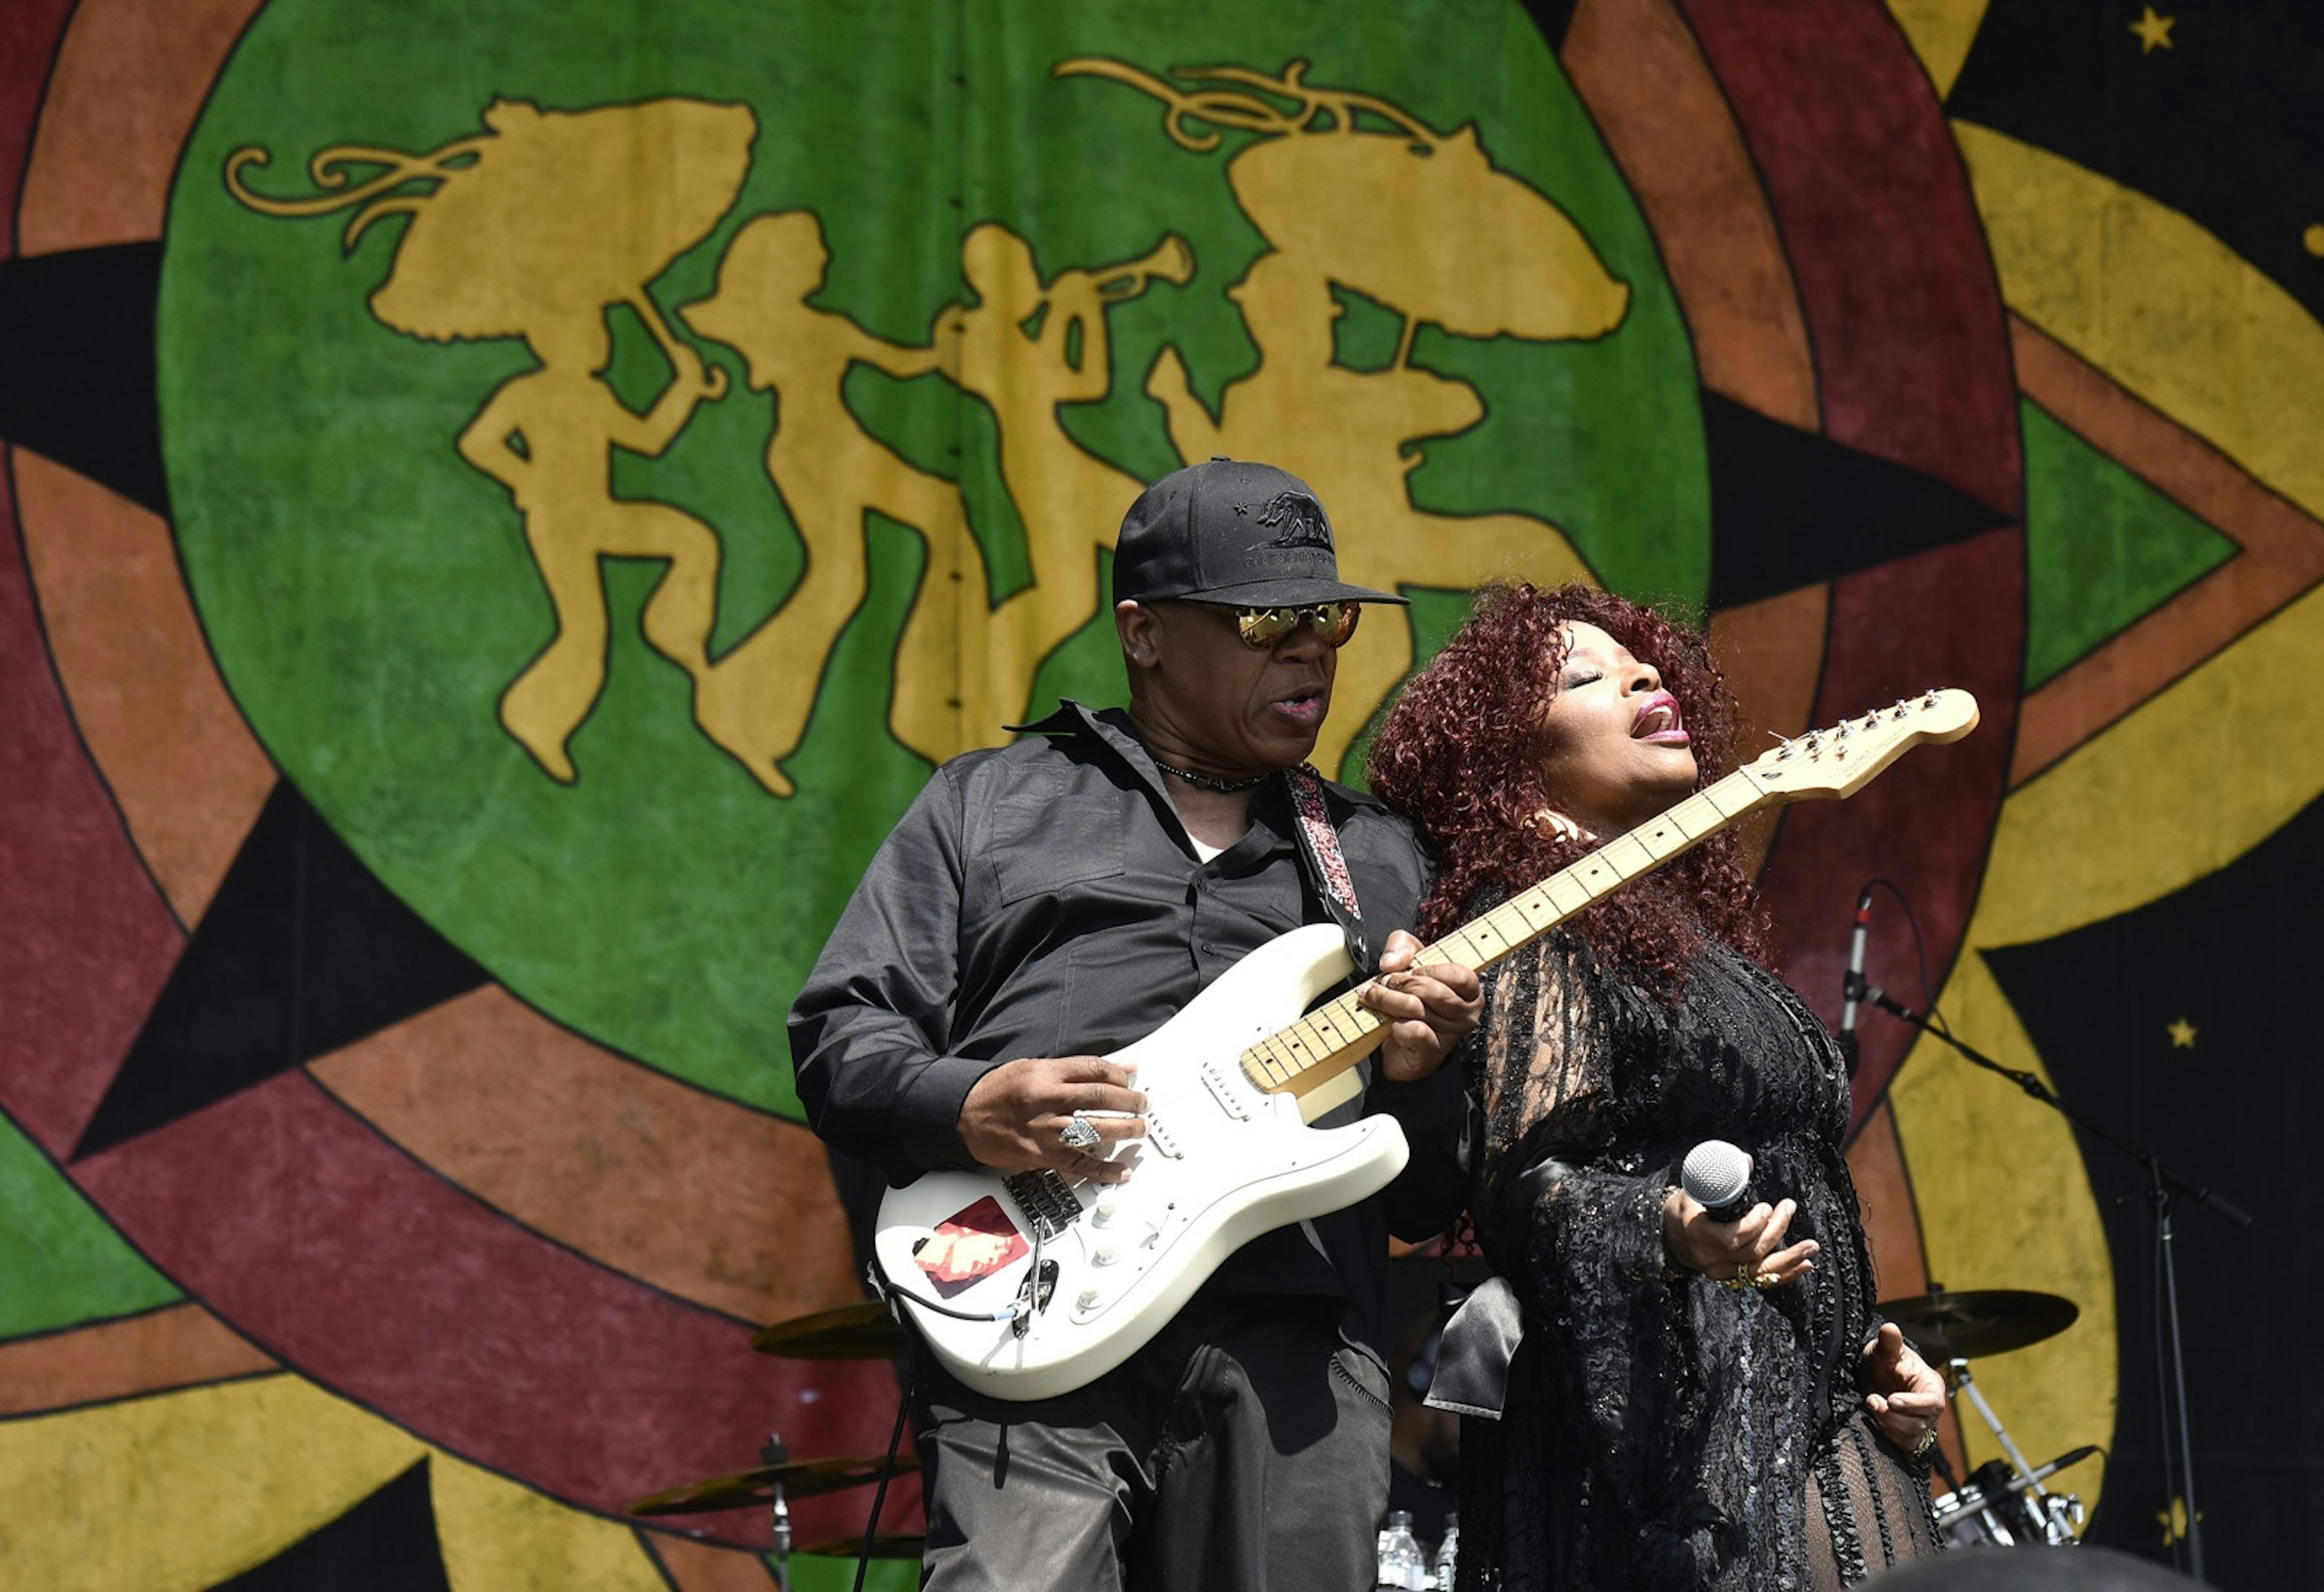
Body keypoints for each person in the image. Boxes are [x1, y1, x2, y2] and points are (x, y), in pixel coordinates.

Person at [789, 457, 1482, 1590]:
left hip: (1294, 1346)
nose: (1310, 648)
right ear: (1145, 632)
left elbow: (1421, 1195)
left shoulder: (1378, 857)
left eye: (1331, 619)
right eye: (1270, 618)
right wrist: (971, 1106)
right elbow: (840, 1034)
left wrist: (1420, 1068)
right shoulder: (992, 800)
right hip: (1034, 1304)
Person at [1366, 582, 1947, 1590]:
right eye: (1584, 675)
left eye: (1641, 659)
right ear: (1513, 768)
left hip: (1808, 1406)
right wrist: (1668, 1229)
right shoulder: (1529, 926)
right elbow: (1524, 1185)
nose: (1643, 672)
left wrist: (1863, 1364)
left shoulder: (1678, 936)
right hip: (1666, 1444)